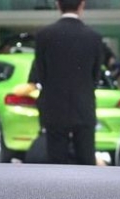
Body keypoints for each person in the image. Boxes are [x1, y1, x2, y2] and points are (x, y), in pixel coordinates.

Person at [28, 0, 103, 165]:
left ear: (58, 5)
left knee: (56, 162)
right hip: (84, 106)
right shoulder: (94, 37)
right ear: (82, 5)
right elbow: (95, 76)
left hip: (54, 108)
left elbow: (41, 74)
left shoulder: (43, 36)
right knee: (86, 161)